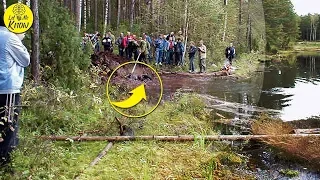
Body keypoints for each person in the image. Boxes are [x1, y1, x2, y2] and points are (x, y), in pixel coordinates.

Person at [0, 11, 30, 166]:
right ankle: (6, 162)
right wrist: (19, 40)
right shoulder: (9, 38)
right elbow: (25, 60)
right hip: (7, 88)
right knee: (9, 125)